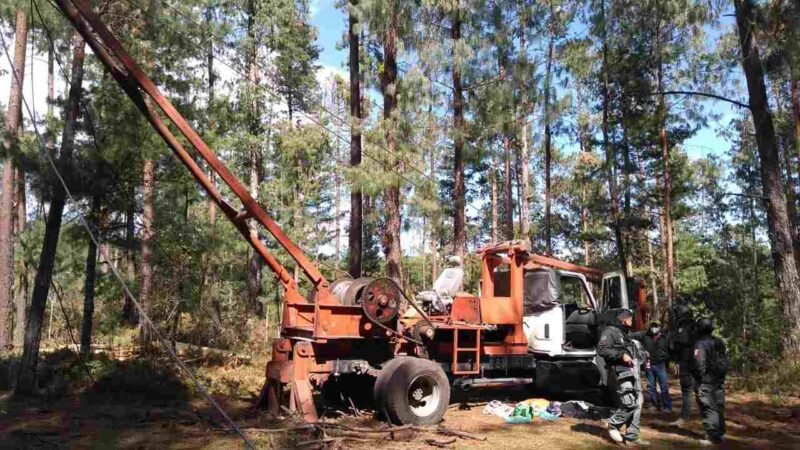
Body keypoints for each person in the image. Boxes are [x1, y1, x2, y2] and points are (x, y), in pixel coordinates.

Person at [598, 309, 650, 446]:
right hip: (620, 372)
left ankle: (632, 436)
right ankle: (613, 424)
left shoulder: (625, 333)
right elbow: (602, 349)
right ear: (624, 320)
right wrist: (621, 355)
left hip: (633, 372)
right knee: (629, 402)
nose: (632, 321)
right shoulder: (609, 331)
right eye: (631, 319)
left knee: (638, 403)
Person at [692, 317, 728, 446]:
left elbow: (699, 365)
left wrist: (698, 378)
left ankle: (713, 436)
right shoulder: (719, 342)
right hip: (718, 380)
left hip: (706, 382)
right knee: (719, 407)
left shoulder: (700, 344)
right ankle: (720, 433)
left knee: (709, 407)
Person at [633, 321, 672, 412]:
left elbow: (670, 349)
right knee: (651, 386)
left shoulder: (664, 337)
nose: (654, 328)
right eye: (652, 326)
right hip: (648, 363)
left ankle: (667, 406)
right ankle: (654, 404)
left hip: (660, 364)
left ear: (659, 327)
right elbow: (631, 335)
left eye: (656, 326)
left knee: (664, 386)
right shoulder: (644, 335)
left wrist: (667, 359)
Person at [668, 304, 695, 425]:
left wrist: (675, 358)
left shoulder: (683, 329)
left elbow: (676, 345)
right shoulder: (696, 327)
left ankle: (684, 417)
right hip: (695, 363)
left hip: (687, 362)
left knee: (687, 390)